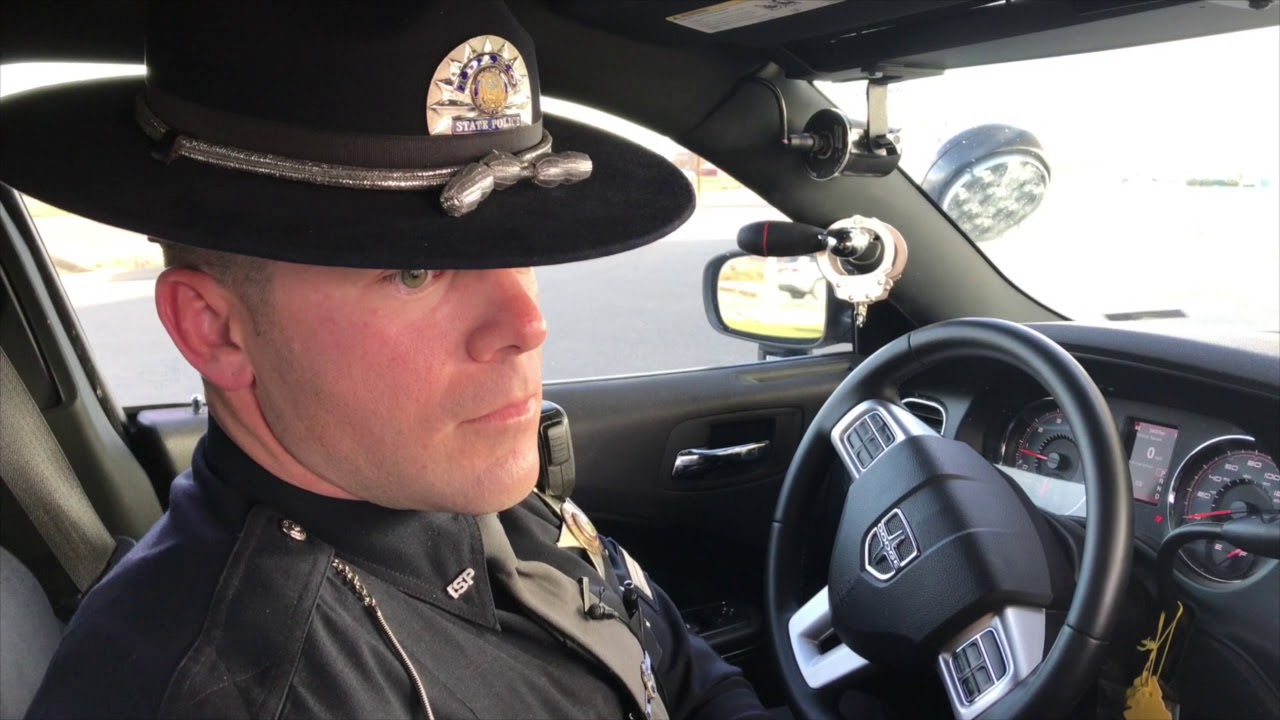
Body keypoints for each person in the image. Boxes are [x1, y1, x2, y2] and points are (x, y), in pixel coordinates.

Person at [3, 2, 770, 718]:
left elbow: (676, 669)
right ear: (215, 332)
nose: (527, 324)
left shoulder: (444, 471)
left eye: (520, 250)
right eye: (415, 271)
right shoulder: (250, 689)